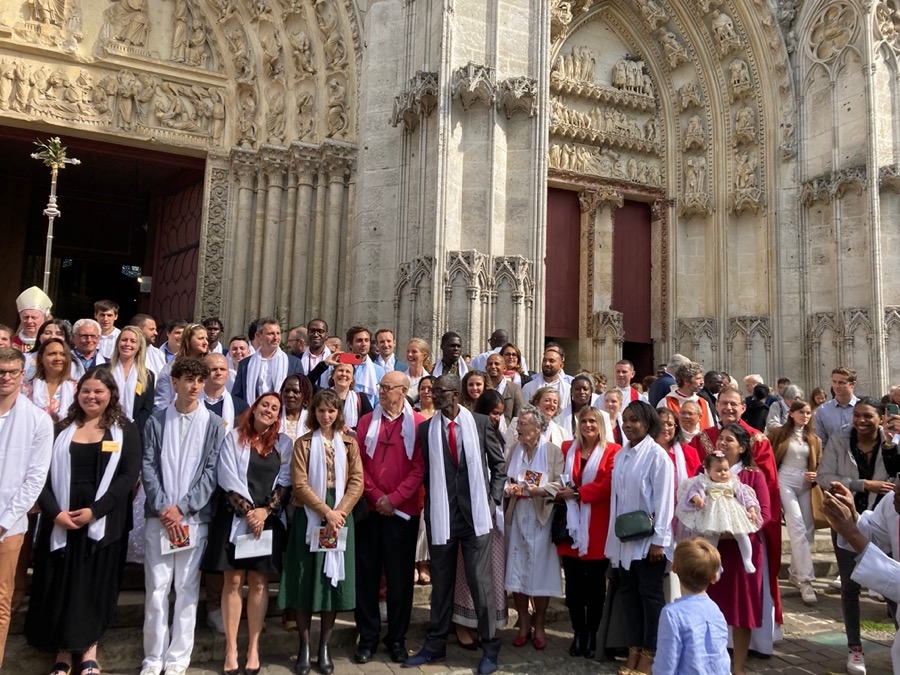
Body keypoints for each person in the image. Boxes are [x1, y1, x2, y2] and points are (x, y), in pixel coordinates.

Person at [26, 367, 141, 675]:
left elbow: (127, 476)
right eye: (86, 391)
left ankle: (89, 650)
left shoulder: (125, 430)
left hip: (104, 521)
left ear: (110, 395)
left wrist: (96, 511)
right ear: (77, 394)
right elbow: (41, 474)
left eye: (99, 391)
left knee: (93, 586)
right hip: (61, 519)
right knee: (60, 586)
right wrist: (55, 513)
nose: (92, 396)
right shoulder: (61, 427)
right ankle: (62, 654)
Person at [405, 374, 505, 675]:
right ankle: (435, 644)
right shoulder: (425, 430)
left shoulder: (480, 423)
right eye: (432, 391)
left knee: (479, 581)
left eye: (440, 392)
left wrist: (492, 501)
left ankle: (490, 647)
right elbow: (424, 473)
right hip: (442, 516)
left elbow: (499, 466)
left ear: (455, 394)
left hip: (476, 516)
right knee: (442, 585)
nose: (434, 396)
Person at [140, 357, 227, 675]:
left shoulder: (214, 425)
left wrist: (184, 508)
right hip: (159, 517)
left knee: (188, 588)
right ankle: (153, 655)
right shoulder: (156, 421)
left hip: (192, 520)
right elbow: (148, 465)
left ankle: (178, 658)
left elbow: (211, 471)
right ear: (174, 382)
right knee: (157, 588)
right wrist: (164, 507)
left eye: (199, 381)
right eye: (187, 379)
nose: (193, 386)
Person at [689, 386, 784, 656]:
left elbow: (767, 488)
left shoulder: (757, 439)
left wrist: (754, 522)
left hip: (747, 531)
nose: (728, 408)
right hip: (711, 532)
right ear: (715, 407)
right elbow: (696, 480)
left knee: (745, 589)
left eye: (734, 404)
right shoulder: (704, 438)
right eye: (723, 404)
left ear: (743, 407)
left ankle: (750, 646)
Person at [203, 393, 291, 675]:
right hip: (236, 518)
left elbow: (285, 481)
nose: (269, 410)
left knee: (259, 582)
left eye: (275, 408)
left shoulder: (283, 444)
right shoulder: (234, 437)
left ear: (278, 416)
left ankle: (253, 648)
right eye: (265, 405)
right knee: (233, 580)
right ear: (254, 409)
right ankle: (232, 649)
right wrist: (249, 511)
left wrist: (266, 511)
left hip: (267, 521)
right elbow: (226, 476)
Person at [278, 389, 364, 675]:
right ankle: (304, 645)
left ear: (339, 413)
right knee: (305, 578)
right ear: (313, 413)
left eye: (331, 411)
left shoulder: (349, 444)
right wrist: (325, 511)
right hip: (310, 515)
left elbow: (357, 480)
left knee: (332, 582)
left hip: (340, 515)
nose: (326, 416)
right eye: (321, 411)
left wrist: (338, 512)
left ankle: (324, 646)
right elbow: (299, 483)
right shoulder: (303, 444)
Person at [817, 397, 895, 675]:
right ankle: (855, 647)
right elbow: (824, 476)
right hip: (846, 522)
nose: (861, 421)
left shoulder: (891, 446)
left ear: (881, 418)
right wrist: (863, 484)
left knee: (891, 584)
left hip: (884, 520)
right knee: (851, 586)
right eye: (857, 415)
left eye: (868, 416)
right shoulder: (841, 440)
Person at [353, 372, 425, 665]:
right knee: (367, 577)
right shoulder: (366, 422)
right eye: (380, 387)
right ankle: (367, 638)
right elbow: (357, 463)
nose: (381, 391)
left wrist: (393, 499)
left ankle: (396, 638)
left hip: (403, 513)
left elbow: (419, 468)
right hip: (370, 511)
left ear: (404, 391)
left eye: (387, 387)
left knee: (399, 580)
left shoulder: (419, 425)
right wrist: (375, 496)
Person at [605, 401, 673, 675]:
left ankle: (650, 654)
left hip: (648, 541)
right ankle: (633, 648)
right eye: (625, 420)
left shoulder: (657, 457)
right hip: (625, 539)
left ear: (647, 423)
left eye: (634, 420)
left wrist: (660, 540)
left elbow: (664, 501)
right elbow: (617, 500)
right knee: (629, 596)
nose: (629, 425)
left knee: (651, 598)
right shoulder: (622, 455)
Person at [0, 347, 53, 671]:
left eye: (11, 372)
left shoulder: (38, 420)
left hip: (9, 525)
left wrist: (4, 521)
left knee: (2, 602)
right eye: (0, 372)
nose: (5, 377)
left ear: (23, 376)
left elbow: (35, 479)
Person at [703, 424, 771, 675]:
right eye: (720, 438)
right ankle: (712, 662)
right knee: (712, 607)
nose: (721, 443)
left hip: (745, 551)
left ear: (742, 448)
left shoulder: (753, 476)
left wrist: (738, 527)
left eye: (728, 440)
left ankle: (738, 667)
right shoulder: (708, 473)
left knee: (741, 610)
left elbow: (764, 513)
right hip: (715, 549)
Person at [557, 406, 619, 658]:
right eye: (584, 421)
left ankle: (593, 633)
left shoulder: (613, 452)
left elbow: (608, 484)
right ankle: (578, 632)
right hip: (571, 526)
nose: (588, 425)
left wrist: (579, 493)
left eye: (593, 421)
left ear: (601, 425)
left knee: (594, 587)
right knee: (572, 587)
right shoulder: (566, 448)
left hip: (597, 526)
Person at [821, 481, 900, 674]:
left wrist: (852, 534)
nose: (896, 486)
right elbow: (875, 535)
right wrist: (853, 517)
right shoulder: (892, 502)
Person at [502, 405, 563, 650]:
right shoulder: (515, 448)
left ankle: (540, 625)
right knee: (517, 570)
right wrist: (511, 488)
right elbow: (507, 477)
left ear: (537, 428)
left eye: (523, 424)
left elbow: (560, 484)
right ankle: (524, 623)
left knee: (540, 571)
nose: (518, 428)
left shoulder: (552, 452)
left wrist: (538, 490)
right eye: (518, 424)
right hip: (518, 514)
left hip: (541, 516)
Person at [769, 400, 821, 605]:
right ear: (791, 414)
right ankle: (806, 580)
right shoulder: (779, 433)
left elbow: (819, 462)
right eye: (801, 412)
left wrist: (814, 474)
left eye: (808, 413)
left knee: (808, 530)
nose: (805, 416)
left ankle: (793, 571)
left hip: (805, 483)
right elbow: (769, 456)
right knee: (797, 526)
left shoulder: (813, 438)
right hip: (785, 479)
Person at [677, 451, 762, 573]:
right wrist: (697, 499)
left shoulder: (733, 481)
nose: (723, 473)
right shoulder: (703, 481)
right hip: (714, 515)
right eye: (718, 471)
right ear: (708, 471)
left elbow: (745, 496)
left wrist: (752, 510)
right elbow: (693, 491)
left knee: (742, 535)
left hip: (733, 514)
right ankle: (716, 564)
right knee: (712, 540)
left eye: (726, 470)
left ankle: (747, 559)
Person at [654, 538, 730, 675]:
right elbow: (721, 658)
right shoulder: (716, 610)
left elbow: (666, 664)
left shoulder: (671, 614)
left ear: (674, 568)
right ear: (713, 577)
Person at [232, 318, 302, 409]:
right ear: (258, 336)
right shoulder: (245, 364)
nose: (276, 338)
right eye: (271, 334)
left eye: (278, 333)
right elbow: (237, 396)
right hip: (252, 416)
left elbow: (301, 394)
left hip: (283, 416)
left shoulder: (293, 363)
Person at [108, 326, 156, 431]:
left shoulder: (148, 376)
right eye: (124, 340)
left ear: (139, 347)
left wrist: (132, 428)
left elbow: (147, 407)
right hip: (105, 428)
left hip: (134, 430)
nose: (127, 344)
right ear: (117, 343)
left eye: (133, 341)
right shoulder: (103, 370)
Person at [153, 323, 209, 411]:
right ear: (188, 340)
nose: (206, 342)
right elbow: (161, 404)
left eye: (206, 339)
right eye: (200, 338)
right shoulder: (171, 368)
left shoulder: (210, 365)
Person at [22, 338, 77, 423]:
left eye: (63, 354)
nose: (58, 358)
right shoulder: (25, 389)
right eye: (52, 354)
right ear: (40, 358)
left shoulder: (77, 389)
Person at [658, 362, 714, 429]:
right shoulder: (666, 402)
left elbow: (710, 429)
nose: (702, 382)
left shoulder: (703, 403)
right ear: (686, 381)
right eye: (698, 378)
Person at [815, 367, 859, 449]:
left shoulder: (862, 408)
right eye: (834, 382)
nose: (836, 386)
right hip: (833, 458)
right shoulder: (823, 410)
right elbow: (821, 442)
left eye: (841, 383)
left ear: (853, 384)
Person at [560, 374, 612, 442]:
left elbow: (609, 443)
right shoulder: (560, 416)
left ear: (590, 392)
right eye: (577, 389)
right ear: (571, 391)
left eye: (585, 389)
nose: (582, 392)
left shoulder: (603, 416)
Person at [201, 353, 246, 430]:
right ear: (203, 374)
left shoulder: (241, 407)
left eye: (222, 369)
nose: (219, 373)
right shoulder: (191, 403)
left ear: (228, 374)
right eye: (214, 369)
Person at [521, 344, 571, 413]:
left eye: (551, 361)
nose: (547, 363)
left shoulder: (568, 390)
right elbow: (524, 413)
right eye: (544, 360)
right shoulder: (529, 387)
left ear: (561, 365)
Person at [485, 353, 523, 424]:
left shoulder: (514, 389)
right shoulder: (482, 388)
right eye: (490, 364)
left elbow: (519, 415)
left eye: (497, 364)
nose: (493, 366)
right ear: (486, 368)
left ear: (504, 368)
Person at [11, 286, 52, 353]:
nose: (29, 321)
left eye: (34, 317)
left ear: (44, 318)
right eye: (26, 317)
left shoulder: (51, 343)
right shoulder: (11, 343)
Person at [279, 374, 313, 443]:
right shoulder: (274, 417)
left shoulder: (312, 421)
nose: (290, 395)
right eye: (287, 390)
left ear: (305, 395)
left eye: (295, 391)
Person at [404, 338, 432, 403]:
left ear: (424, 356)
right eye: (408, 351)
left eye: (414, 351)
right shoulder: (401, 377)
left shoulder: (429, 380)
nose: (409, 354)